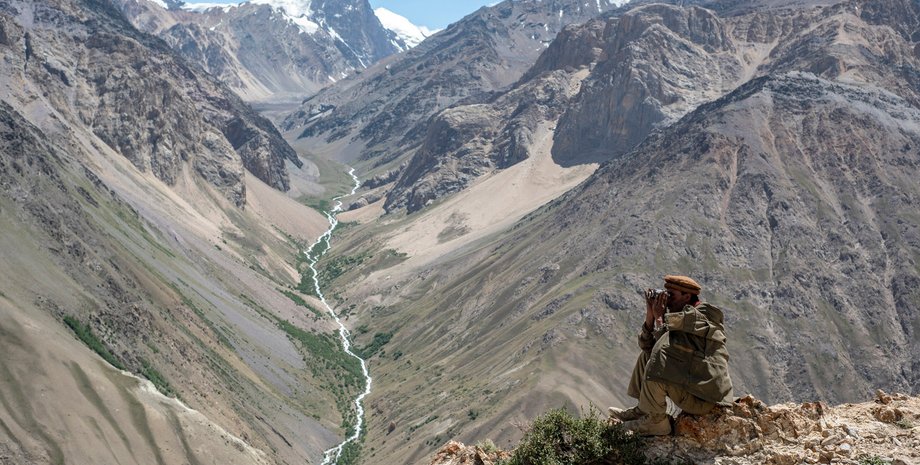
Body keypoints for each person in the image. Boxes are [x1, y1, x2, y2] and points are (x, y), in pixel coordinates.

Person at [608, 275, 733, 435]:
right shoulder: (680, 317)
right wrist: (650, 316)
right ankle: (644, 411)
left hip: (703, 398)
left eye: (671, 295)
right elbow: (648, 346)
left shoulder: (701, 317)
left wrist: (660, 318)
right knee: (647, 356)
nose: (666, 299)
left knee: (657, 364)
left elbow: (665, 349)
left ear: (687, 296)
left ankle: (656, 422)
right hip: (691, 385)